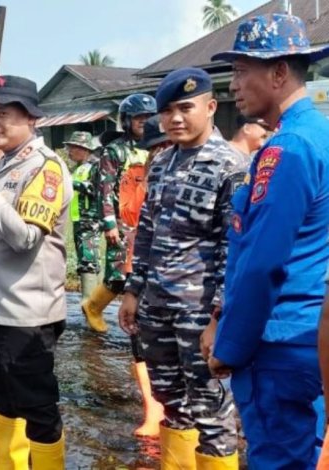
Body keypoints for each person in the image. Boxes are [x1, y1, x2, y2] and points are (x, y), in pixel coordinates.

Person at [207, 14, 329, 469]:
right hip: (309, 338)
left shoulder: (289, 149)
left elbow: (262, 264)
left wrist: (229, 346)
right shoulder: (320, 137)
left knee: (277, 459)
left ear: (279, 72)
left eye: (242, 71)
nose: (233, 84)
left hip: (276, 344)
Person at [118, 68, 243, 468]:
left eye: (185, 108)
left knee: (212, 412)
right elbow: (148, 231)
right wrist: (134, 291)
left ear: (210, 107)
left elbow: (234, 247)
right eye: (167, 110)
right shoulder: (161, 163)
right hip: (157, 306)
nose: (174, 119)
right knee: (170, 402)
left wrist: (219, 316)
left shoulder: (230, 167)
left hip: (199, 311)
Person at [0, 75, 72, 468]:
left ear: (32, 118)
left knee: (37, 407)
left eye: (5, 114)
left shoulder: (46, 168)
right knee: (1, 399)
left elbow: (24, 239)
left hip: (26, 313)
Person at [81, 93, 156, 333]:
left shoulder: (160, 146)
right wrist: (110, 224)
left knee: (145, 273)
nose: (144, 121)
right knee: (118, 274)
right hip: (122, 221)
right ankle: (93, 307)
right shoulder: (114, 151)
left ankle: (143, 323)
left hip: (148, 219)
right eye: (139, 117)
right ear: (127, 120)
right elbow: (104, 190)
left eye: (149, 117)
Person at [123, 115, 171, 438]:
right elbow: (128, 212)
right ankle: (153, 408)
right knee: (140, 339)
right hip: (141, 263)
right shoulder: (137, 175)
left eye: (166, 145)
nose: (162, 152)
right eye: (156, 148)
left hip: (183, 277)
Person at [65, 131, 102, 300]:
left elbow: (96, 189)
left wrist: (69, 182)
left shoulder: (97, 166)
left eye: (73, 148)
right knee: (84, 260)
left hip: (91, 221)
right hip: (79, 221)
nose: (69, 152)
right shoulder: (78, 168)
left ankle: (91, 305)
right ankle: (88, 304)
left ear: (84, 149)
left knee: (89, 261)